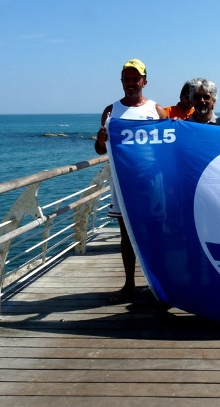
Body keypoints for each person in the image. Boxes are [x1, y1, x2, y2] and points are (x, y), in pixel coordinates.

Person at [94, 58, 167, 304]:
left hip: (151, 184)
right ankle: (129, 284)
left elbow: (167, 147)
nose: (131, 83)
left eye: (136, 78)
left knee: (155, 233)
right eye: (127, 78)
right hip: (123, 184)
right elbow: (99, 150)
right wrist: (102, 139)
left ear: (144, 81)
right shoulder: (110, 110)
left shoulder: (157, 110)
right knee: (126, 235)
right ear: (122, 81)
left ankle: (160, 283)